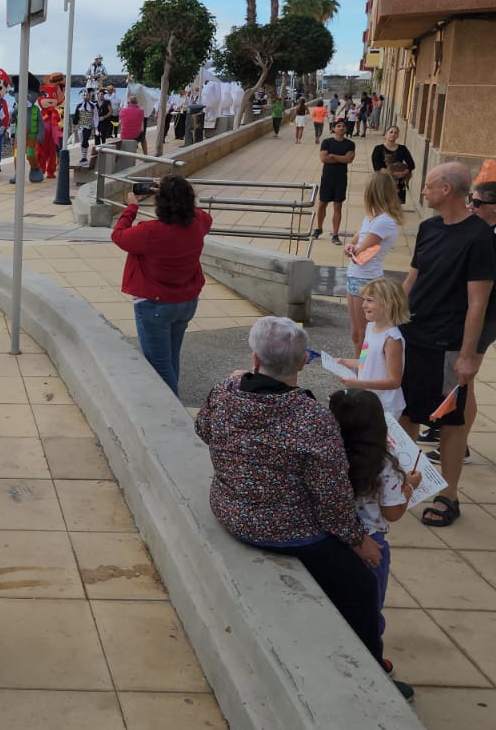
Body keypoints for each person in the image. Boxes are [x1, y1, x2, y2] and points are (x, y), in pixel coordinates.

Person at [196, 318, 410, 700]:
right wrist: (360, 541)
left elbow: (204, 431)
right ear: (301, 364)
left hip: (228, 507)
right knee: (362, 584)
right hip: (285, 531)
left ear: (255, 358)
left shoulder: (225, 391)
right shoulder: (312, 419)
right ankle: (373, 673)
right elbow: (331, 499)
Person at [397, 162, 494, 528]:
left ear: (447, 190)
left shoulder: (478, 236)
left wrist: (467, 356)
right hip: (413, 337)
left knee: (450, 424)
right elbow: (413, 278)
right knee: (405, 416)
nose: (423, 191)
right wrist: (389, 319)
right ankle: (405, 482)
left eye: (428, 186)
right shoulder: (428, 228)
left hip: (447, 345)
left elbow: (478, 302)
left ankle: (447, 495)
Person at [423, 182, 496, 465]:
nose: (472, 206)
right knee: (451, 378)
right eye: (472, 200)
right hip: (466, 315)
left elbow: (487, 282)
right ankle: (442, 426)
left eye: (478, 203)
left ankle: (461, 442)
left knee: (463, 383)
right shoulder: (488, 232)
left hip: (485, 317)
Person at [329, 388, 421, 692]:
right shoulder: (383, 466)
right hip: (372, 547)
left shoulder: (329, 455)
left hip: (334, 542)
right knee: (369, 606)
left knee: (338, 602)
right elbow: (393, 512)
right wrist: (409, 486)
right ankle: (371, 662)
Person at [112, 174, 212, 396]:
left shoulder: (151, 231)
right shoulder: (199, 223)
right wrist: (177, 193)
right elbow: (200, 213)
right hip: (186, 302)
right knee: (170, 359)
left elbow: (118, 236)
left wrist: (131, 207)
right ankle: (172, 403)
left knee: (159, 367)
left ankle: (173, 416)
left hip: (155, 305)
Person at [345, 173, 405, 353]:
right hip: (355, 276)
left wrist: (353, 249)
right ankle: (360, 368)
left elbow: (360, 248)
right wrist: (350, 246)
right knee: (357, 333)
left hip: (366, 280)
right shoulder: (370, 218)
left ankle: (362, 371)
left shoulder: (383, 222)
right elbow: (354, 243)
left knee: (363, 334)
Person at [336, 277, 409, 417]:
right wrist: (344, 362)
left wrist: (360, 384)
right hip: (369, 399)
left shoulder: (392, 339)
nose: (363, 305)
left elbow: (394, 381)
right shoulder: (370, 328)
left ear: (388, 304)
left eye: (369, 300)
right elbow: (364, 361)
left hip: (385, 406)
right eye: (364, 300)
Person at [313, 119, 357, 245]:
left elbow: (349, 159)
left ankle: (335, 234)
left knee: (338, 206)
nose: (341, 128)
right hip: (327, 177)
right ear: (333, 129)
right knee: (322, 204)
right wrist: (340, 158)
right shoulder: (326, 142)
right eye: (338, 126)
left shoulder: (350, 144)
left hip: (341, 178)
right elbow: (324, 158)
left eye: (343, 126)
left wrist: (333, 156)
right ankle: (319, 228)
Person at [369, 127, 415, 204]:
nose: (393, 134)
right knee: (382, 206)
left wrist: (404, 173)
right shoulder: (378, 149)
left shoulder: (402, 148)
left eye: (396, 133)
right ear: (386, 134)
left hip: (398, 183)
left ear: (398, 136)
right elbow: (377, 167)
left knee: (395, 208)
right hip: (383, 181)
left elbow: (411, 164)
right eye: (391, 132)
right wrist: (394, 174)